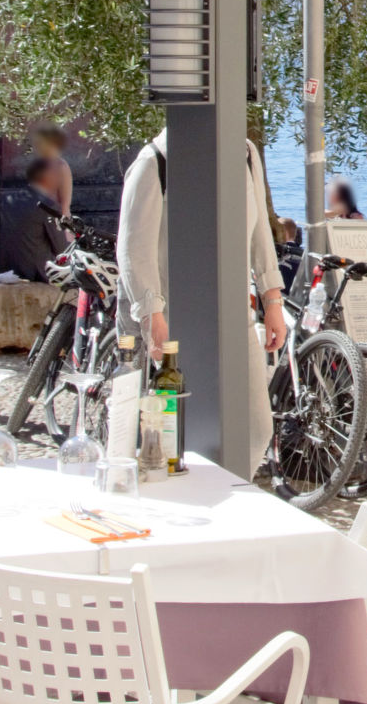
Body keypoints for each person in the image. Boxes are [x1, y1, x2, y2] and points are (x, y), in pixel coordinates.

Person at [115, 130, 287, 469]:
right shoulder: (155, 162)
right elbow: (133, 250)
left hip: (235, 317)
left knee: (255, 430)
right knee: (172, 438)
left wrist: (272, 298)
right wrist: (152, 318)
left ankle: (235, 503)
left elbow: (259, 233)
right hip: (173, 322)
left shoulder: (246, 153)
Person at [0, 157, 68, 282]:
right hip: (35, 271)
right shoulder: (48, 205)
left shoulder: (8, 199)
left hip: (5, 266)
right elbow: (61, 249)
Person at [29, 127, 75, 223]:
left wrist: (64, 223)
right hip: (36, 217)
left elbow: (65, 203)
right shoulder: (38, 164)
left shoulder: (61, 166)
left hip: (54, 218)